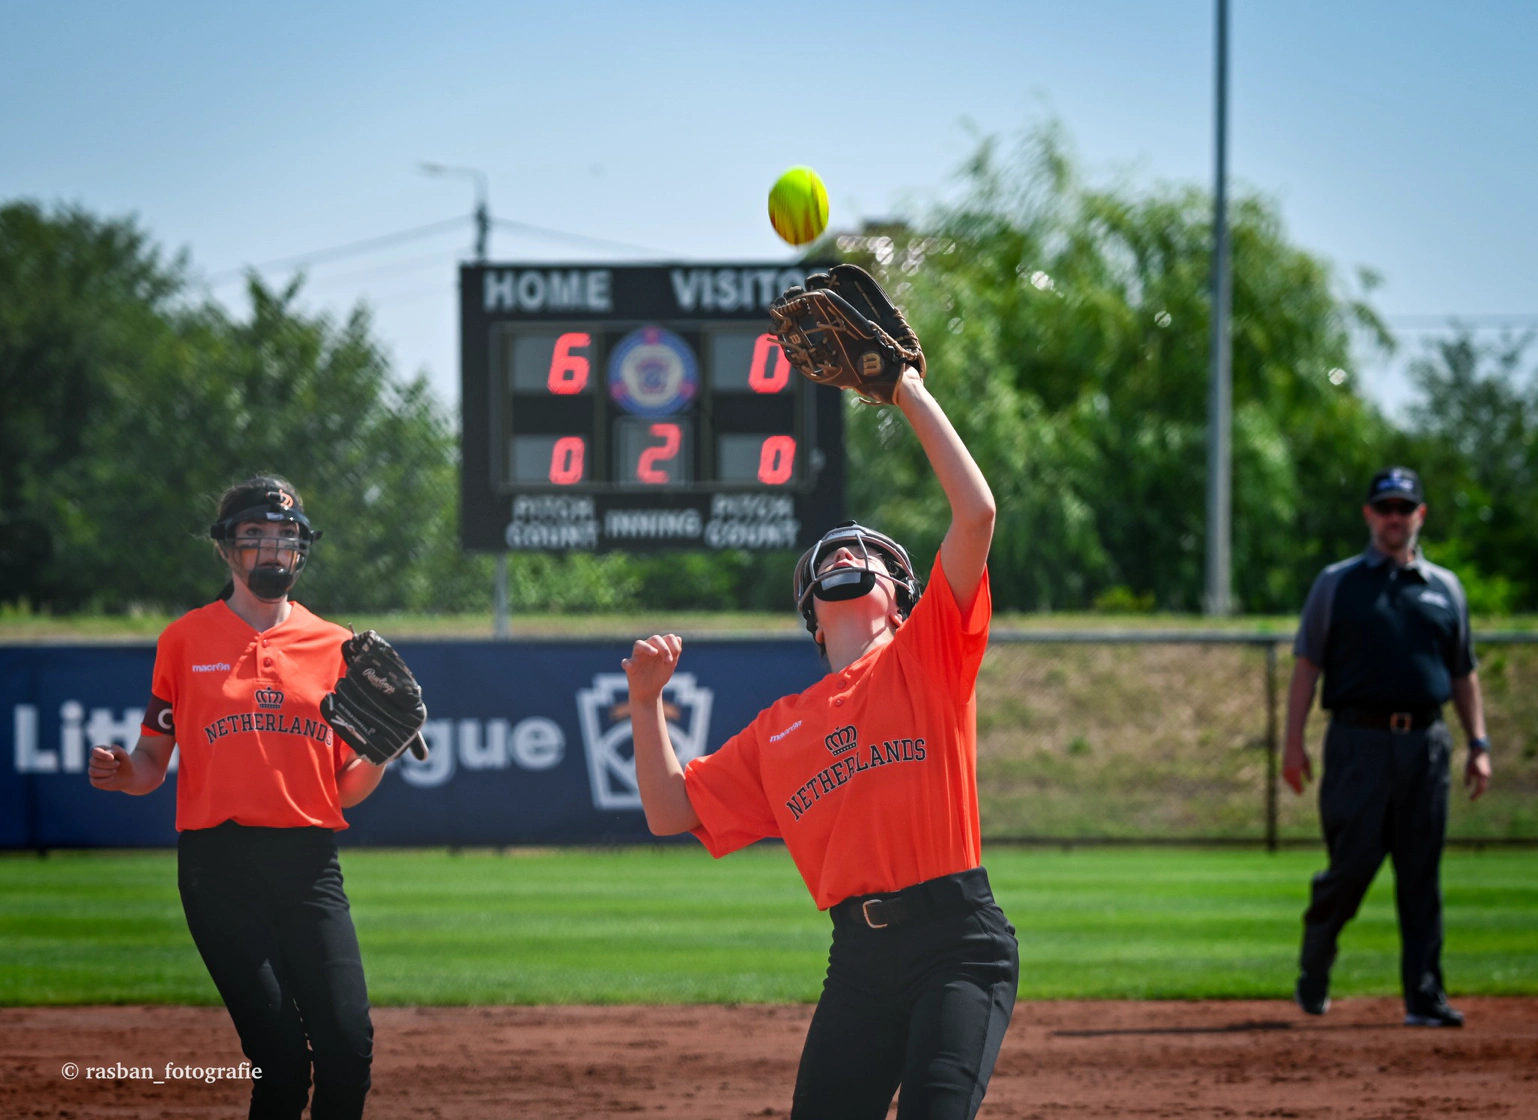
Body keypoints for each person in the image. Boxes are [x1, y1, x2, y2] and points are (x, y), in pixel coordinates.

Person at [623, 361, 1018, 1119]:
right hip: (859, 964)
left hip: (956, 946)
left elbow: (977, 516)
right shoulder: (780, 729)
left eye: (864, 554)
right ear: (811, 609)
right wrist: (646, 704)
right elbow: (670, 810)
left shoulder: (926, 656)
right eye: (830, 554)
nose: (844, 555)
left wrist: (907, 391)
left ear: (902, 601)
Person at [89, 476, 384, 1118]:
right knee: (280, 1062)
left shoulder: (336, 646)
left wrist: (382, 751)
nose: (272, 550)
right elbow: (150, 762)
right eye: (254, 536)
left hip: (310, 866)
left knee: (347, 1045)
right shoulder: (185, 640)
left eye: (285, 536)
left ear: (301, 547)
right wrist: (123, 770)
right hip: (218, 869)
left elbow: (346, 790)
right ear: (227, 549)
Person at [1282, 466, 1492, 1027]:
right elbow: (1308, 665)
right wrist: (1293, 743)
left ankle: (1424, 995)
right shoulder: (1338, 583)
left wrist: (1479, 742)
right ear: (1369, 515)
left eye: (1405, 507)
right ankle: (1317, 959)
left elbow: (1462, 672)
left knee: (1421, 873)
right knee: (1350, 867)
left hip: (1427, 743)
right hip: (1357, 742)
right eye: (1385, 507)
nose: (1395, 517)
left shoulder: (1445, 588)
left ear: (1419, 515)